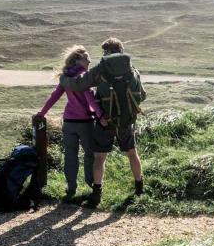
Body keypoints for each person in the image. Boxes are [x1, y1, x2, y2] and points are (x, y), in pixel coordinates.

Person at [59, 37, 145, 208]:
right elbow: (142, 95)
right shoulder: (132, 70)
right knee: (132, 154)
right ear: (121, 50)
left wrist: (63, 80)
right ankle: (139, 189)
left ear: (106, 52)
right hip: (126, 121)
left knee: (100, 158)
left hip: (105, 121)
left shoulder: (101, 70)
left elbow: (78, 84)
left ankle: (96, 195)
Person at [34, 45, 105, 202]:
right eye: (86, 58)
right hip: (85, 122)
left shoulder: (66, 77)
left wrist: (41, 113)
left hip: (68, 122)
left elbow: (54, 97)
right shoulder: (83, 77)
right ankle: (91, 184)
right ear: (78, 60)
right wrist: (100, 116)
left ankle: (71, 188)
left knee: (70, 156)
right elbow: (90, 100)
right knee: (89, 154)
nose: (89, 60)